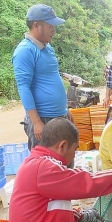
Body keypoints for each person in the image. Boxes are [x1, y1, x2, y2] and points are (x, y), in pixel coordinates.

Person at [12, 4, 74, 151]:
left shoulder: (48, 48)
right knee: (46, 168)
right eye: (51, 25)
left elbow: (51, 79)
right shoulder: (25, 51)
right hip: (43, 120)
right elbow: (23, 87)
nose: (54, 29)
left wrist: (64, 110)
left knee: (64, 164)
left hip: (60, 117)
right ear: (36, 25)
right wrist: (36, 122)